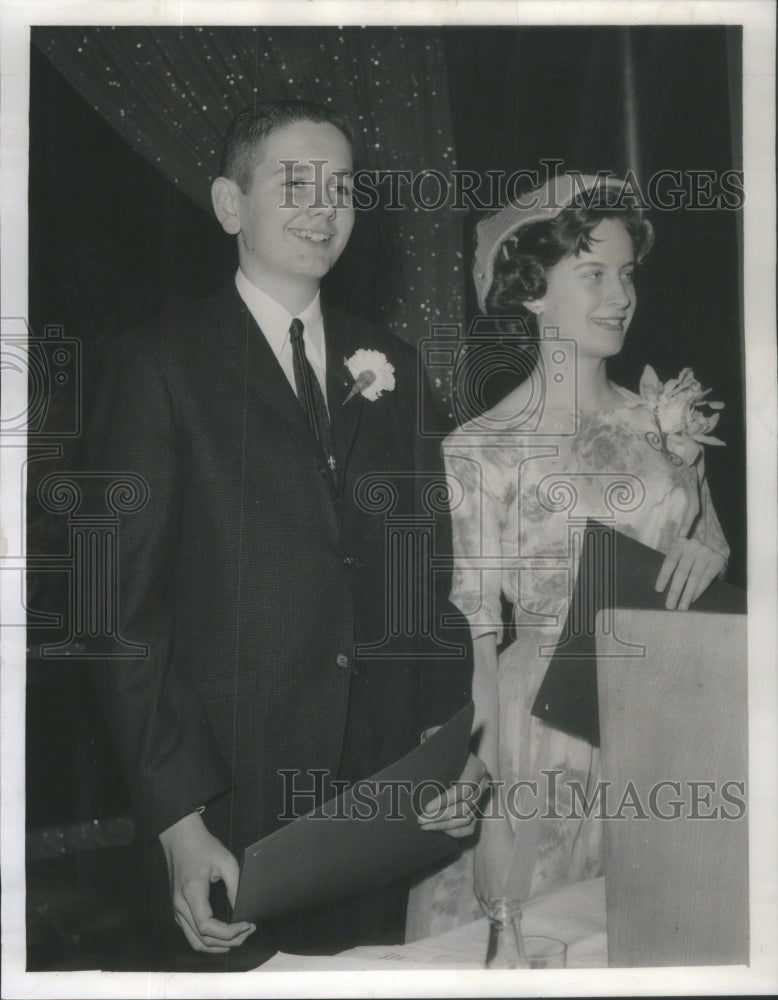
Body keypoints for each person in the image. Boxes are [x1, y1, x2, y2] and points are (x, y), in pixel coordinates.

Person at [85, 100, 479, 970]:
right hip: (231, 809)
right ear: (230, 206)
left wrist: (443, 752)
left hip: (378, 806)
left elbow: (425, 582)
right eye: (295, 182)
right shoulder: (157, 364)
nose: (324, 205)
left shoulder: (395, 367)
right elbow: (122, 619)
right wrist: (178, 824)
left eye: (341, 186)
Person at [405, 173, 730, 940]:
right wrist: (489, 816)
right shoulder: (480, 450)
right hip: (544, 735)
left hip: (671, 719)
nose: (621, 294)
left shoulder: (667, 420)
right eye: (593, 274)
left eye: (626, 273)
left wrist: (709, 554)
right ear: (530, 291)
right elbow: (481, 655)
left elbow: (712, 545)